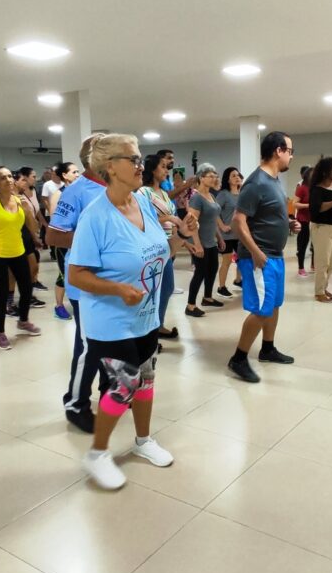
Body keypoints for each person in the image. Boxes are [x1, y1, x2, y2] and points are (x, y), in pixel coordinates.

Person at [68, 134, 173, 489]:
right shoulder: (94, 217)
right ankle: (97, 453)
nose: (141, 165)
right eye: (133, 159)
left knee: (145, 379)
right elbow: (76, 274)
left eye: (140, 158)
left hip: (146, 314)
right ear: (110, 167)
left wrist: (180, 238)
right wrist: (117, 288)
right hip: (111, 322)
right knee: (123, 386)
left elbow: (157, 249)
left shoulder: (142, 202)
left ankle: (143, 441)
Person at [227, 131, 301, 383]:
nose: (291, 156)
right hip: (260, 257)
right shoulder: (256, 182)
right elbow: (238, 221)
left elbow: (266, 215)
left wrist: (288, 224)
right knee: (261, 309)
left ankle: (267, 348)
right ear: (278, 150)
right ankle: (238, 358)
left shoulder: (274, 180)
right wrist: (256, 252)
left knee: (274, 304)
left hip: (275, 255)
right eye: (290, 150)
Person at [48, 136, 109, 433]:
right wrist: (95, 238)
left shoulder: (116, 189)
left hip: (112, 281)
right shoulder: (76, 192)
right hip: (85, 283)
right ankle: (75, 403)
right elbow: (54, 237)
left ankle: (110, 391)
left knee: (112, 341)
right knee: (89, 346)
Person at [0, 166, 43, 350]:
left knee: (27, 288)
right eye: (3, 178)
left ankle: (23, 321)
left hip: (18, 251)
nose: (9, 180)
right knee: (2, 293)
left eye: (10, 176)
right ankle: (1, 333)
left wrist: (28, 208)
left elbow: (33, 227)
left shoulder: (20, 201)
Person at [138, 153, 191, 340]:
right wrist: (168, 218)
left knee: (166, 288)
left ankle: (157, 326)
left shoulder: (163, 193)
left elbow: (174, 218)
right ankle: (151, 329)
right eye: (162, 166)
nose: (166, 170)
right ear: (152, 169)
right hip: (152, 246)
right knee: (155, 289)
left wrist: (183, 238)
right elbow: (141, 220)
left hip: (168, 244)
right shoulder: (143, 193)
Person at [184, 163, 226, 316]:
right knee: (200, 273)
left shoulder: (211, 195)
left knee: (212, 270)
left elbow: (213, 219)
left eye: (216, 176)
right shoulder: (196, 198)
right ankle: (190, 306)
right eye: (211, 176)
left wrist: (219, 238)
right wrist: (197, 244)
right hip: (200, 242)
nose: (215, 178)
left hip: (211, 241)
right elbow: (191, 223)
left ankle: (207, 298)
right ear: (201, 178)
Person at [308, 157, 332, 303]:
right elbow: (317, 208)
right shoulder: (317, 189)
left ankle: (324, 287)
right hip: (322, 228)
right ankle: (319, 292)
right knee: (323, 262)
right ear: (324, 172)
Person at [46, 161, 81, 320]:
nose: (78, 174)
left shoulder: (79, 192)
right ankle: (58, 306)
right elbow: (55, 219)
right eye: (74, 172)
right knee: (64, 273)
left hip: (78, 240)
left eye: (78, 171)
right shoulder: (59, 194)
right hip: (64, 241)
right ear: (64, 175)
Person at [15, 167, 50, 292]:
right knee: (28, 262)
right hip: (22, 231)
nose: (35, 179)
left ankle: (33, 282)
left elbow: (36, 211)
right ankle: (27, 287)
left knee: (35, 258)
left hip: (32, 229)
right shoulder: (17, 196)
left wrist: (44, 224)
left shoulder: (33, 191)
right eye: (33, 177)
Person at [215, 167, 243, 297]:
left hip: (240, 234)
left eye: (238, 175)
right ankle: (221, 287)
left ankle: (238, 280)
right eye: (233, 176)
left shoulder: (242, 193)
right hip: (227, 235)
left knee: (242, 259)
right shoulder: (224, 194)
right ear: (228, 179)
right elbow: (215, 212)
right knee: (226, 261)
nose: (237, 177)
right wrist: (222, 226)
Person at [294, 166, 311, 277]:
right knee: (303, 245)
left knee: (315, 245)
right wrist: (308, 205)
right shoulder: (302, 187)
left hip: (315, 220)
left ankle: (314, 265)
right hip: (303, 219)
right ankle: (301, 267)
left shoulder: (317, 188)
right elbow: (295, 204)